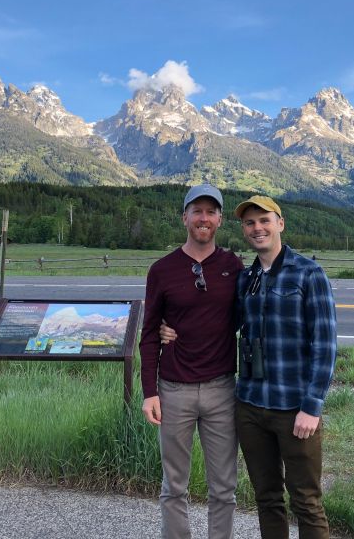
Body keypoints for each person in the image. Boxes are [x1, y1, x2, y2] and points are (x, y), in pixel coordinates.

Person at [139, 183, 244, 539]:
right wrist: (149, 392)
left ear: (219, 220)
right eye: (196, 211)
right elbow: (150, 333)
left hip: (221, 390)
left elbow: (246, 320)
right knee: (174, 487)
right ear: (184, 217)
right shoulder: (162, 270)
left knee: (224, 488)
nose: (204, 218)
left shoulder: (234, 266)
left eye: (211, 212)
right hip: (173, 391)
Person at [233, 195, 337, 539]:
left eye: (264, 220)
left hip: (294, 409)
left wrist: (312, 406)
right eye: (249, 223)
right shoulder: (245, 278)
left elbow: (325, 345)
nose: (257, 228)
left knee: (306, 500)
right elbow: (224, 326)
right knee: (267, 498)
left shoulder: (309, 272)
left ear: (280, 223)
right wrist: (170, 328)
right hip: (250, 405)